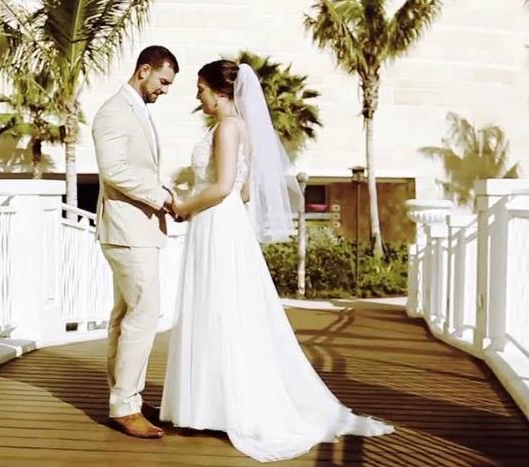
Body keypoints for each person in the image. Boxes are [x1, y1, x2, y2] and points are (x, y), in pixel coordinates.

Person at [160, 60, 394, 462]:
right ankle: (212, 403)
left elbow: (219, 186)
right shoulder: (241, 129)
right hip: (224, 223)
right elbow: (244, 192)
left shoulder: (228, 128)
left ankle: (216, 405)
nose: (197, 98)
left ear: (219, 91)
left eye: (200, 89)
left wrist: (182, 206)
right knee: (223, 309)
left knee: (218, 309)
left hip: (215, 223)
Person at [91, 45, 179, 439]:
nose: (164, 90)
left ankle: (127, 399)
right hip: (127, 232)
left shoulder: (137, 110)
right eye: (162, 81)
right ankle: (125, 406)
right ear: (144, 70)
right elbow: (114, 171)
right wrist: (163, 197)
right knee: (143, 316)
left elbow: (138, 168)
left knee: (127, 316)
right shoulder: (113, 112)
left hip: (136, 230)